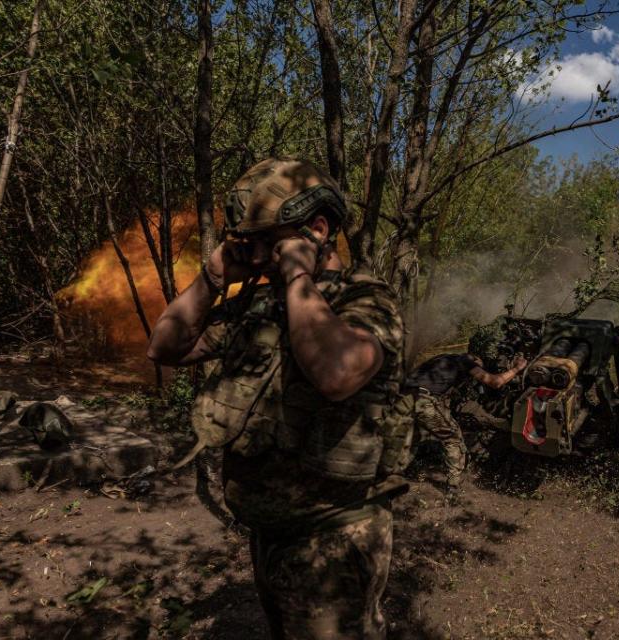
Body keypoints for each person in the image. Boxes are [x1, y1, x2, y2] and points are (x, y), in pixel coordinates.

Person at [147, 157, 405, 640]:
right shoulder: (260, 303)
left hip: (334, 539)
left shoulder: (364, 299)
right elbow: (165, 347)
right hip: (272, 537)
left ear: (318, 229)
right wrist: (213, 277)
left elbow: (338, 373)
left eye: (267, 240)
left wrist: (298, 279)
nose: (258, 254)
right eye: (251, 242)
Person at [403, 352, 527, 498]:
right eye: (478, 366)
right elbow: (495, 382)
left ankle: (397, 472)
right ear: (474, 359)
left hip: (404, 397)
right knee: (453, 438)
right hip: (424, 401)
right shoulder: (466, 361)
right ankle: (453, 488)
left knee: (411, 436)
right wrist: (517, 369)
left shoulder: (442, 359)